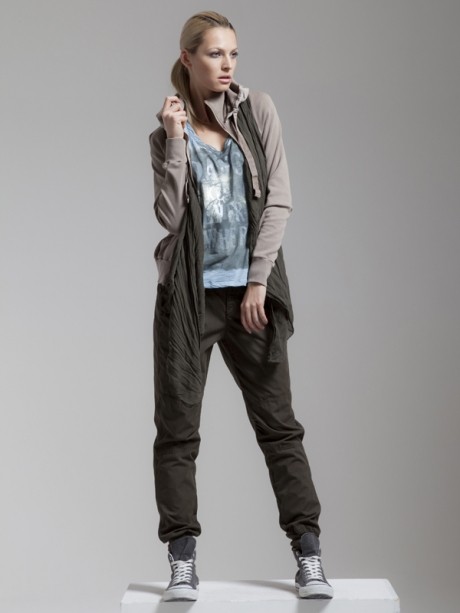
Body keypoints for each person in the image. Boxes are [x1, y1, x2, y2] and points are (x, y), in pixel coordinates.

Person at [148, 10, 333, 603]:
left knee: (279, 429)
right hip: (188, 301)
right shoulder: (166, 133)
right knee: (177, 434)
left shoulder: (258, 111)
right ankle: (182, 561)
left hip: (252, 296)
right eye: (215, 54)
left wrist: (257, 283)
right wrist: (175, 141)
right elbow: (171, 218)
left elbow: (279, 199)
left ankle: (309, 556)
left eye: (233, 54)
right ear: (188, 58)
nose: (227, 64)